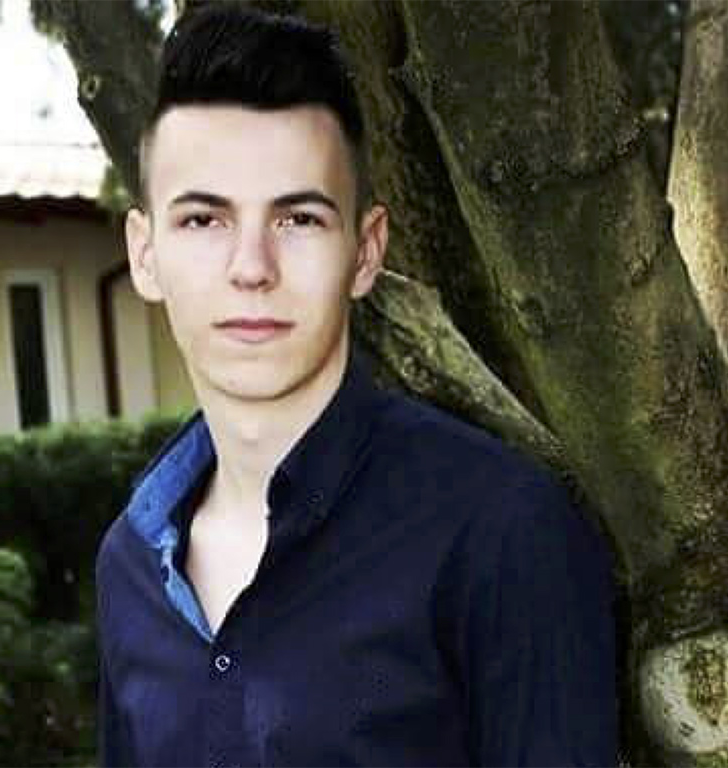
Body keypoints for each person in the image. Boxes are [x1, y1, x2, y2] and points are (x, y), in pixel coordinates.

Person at [94, 5, 617, 766]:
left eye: (298, 220)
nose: (251, 267)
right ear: (145, 255)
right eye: (204, 220)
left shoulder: (501, 531)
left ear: (366, 251)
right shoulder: (130, 562)